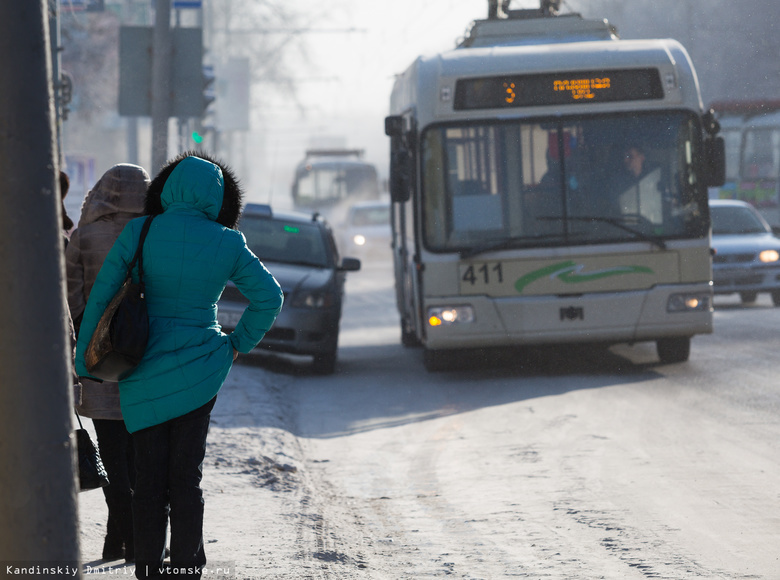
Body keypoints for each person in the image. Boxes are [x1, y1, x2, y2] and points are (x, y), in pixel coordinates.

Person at [74, 152, 284, 579]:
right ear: (218, 196)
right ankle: (186, 565)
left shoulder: (140, 231)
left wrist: (85, 358)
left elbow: (101, 297)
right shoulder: (227, 241)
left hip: (140, 368)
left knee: (148, 477)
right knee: (186, 475)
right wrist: (236, 344)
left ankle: (148, 567)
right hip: (201, 371)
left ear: (167, 189)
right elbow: (269, 297)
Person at [66, 163, 151, 562]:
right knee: (138, 451)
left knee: (112, 452)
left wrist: (93, 338)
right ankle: (130, 539)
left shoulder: (83, 237)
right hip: (146, 354)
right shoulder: (152, 233)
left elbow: (71, 299)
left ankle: (119, 538)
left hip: (98, 359)